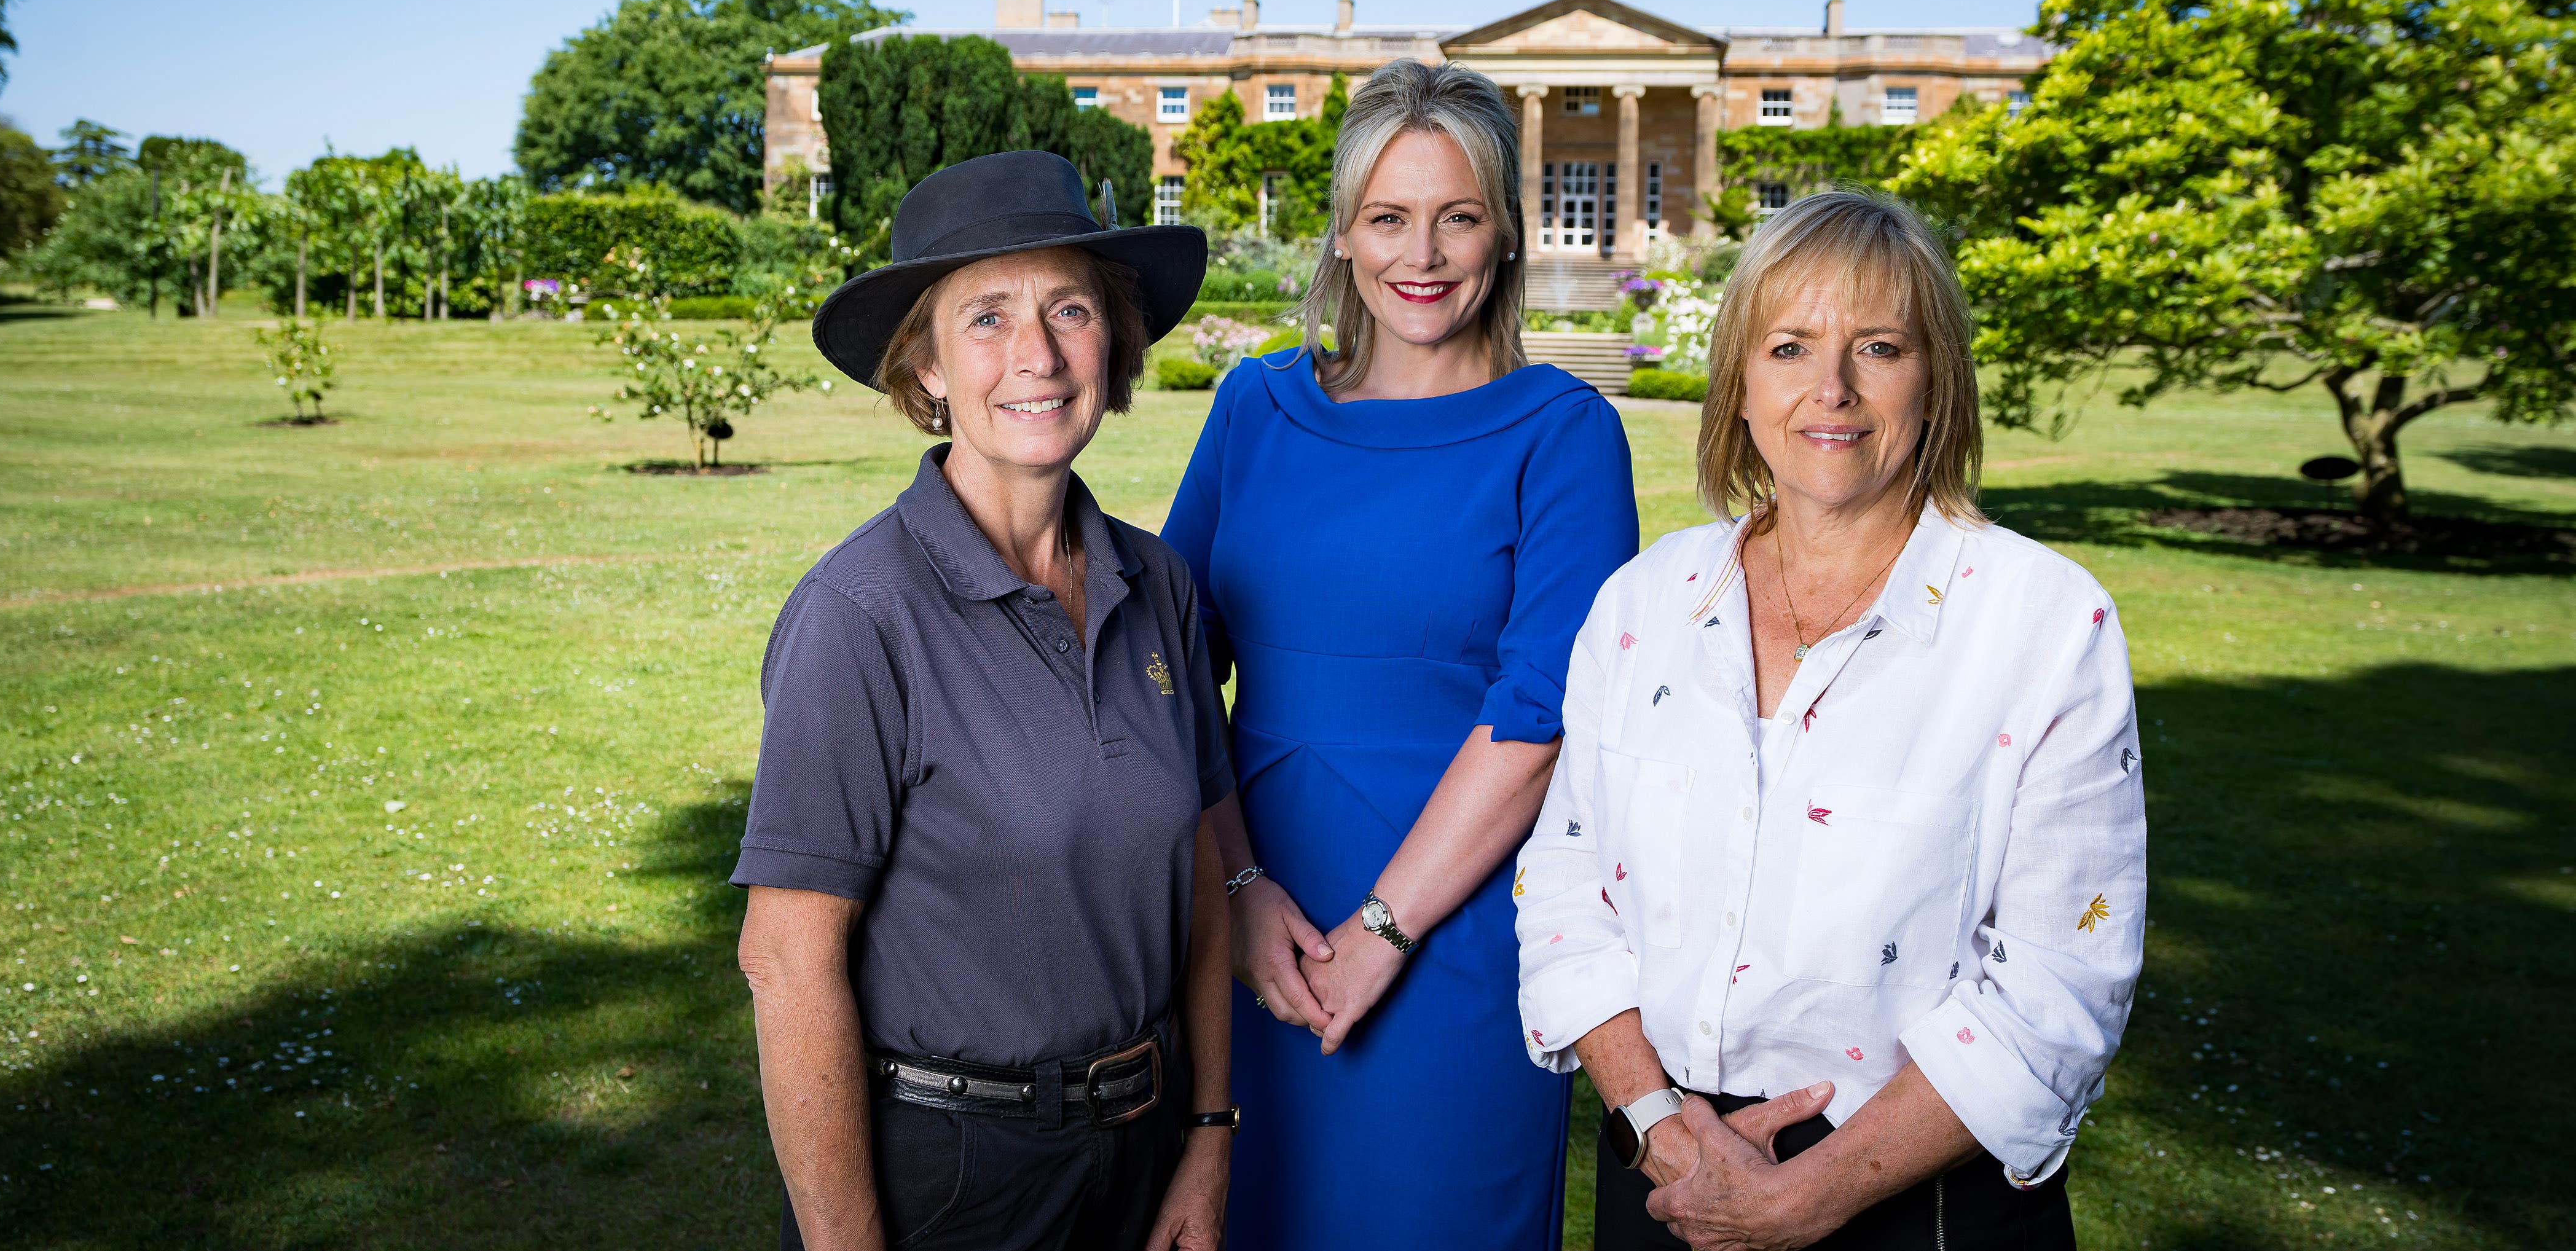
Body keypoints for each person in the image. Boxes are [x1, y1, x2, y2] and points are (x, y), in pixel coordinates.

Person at [1515, 190, 2148, 1249]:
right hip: (1662, 1168)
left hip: (1923, 1199)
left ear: (1935, 376)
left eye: (1881, 347)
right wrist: (1660, 1126)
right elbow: (1565, 883)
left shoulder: (2043, 621)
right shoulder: (1645, 600)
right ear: (1742, 384)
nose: (1833, 389)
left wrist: (1811, 1194)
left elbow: (2059, 980)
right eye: (1792, 345)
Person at [1161, 60, 1638, 1251]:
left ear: (1505, 232)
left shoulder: (1563, 432)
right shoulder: (1254, 406)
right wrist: (1237, 891)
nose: (1419, 253)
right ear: (1341, 230)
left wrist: (1382, 931)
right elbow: (1165, 664)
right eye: (1387, 216)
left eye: (1456, 214)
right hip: (1244, 923)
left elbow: (1538, 712)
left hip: (1454, 942)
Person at [734, 151, 1239, 1251]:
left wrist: (1207, 1135)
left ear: (1115, 342)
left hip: (1144, 1154)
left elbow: (1197, 876)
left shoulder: (1158, 584)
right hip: (950, 1178)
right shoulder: (859, 614)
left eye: (1070, 308)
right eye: (987, 318)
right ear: (923, 370)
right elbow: (786, 959)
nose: (1038, 355)